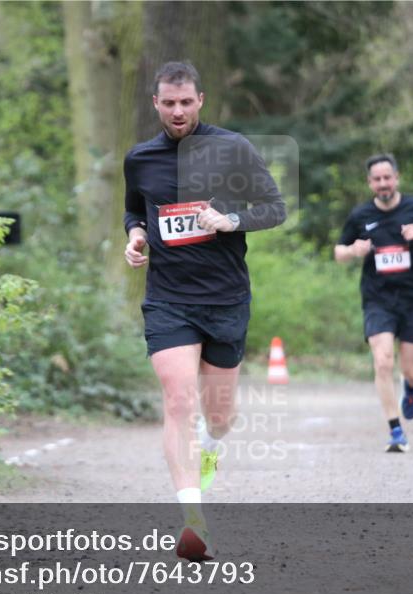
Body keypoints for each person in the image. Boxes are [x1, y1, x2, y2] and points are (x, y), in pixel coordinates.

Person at [123, 61, 286, 559]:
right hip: (169, 299)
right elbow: (135, 208)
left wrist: (229, 219)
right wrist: (134, 235)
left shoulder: (232, 148)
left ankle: (210, 448)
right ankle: (194, 520)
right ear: (156, 104)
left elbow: (274, 207)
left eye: (186, 102)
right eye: (168, 103)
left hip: (225, 298)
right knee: (178, 402)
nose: (177, 111)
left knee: (219, 416)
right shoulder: (140, 158)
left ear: (201, 101)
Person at [334, 153, 413, 453]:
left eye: (388, 177)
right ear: (370, 182)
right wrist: (354, 251)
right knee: (384, 361)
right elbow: (339, 251)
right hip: (378, 300)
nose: (383, 183)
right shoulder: (360, 215)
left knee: (411, 370)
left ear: (396, 178)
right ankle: (395, 430)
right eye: (377, 179)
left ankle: (411, 390)